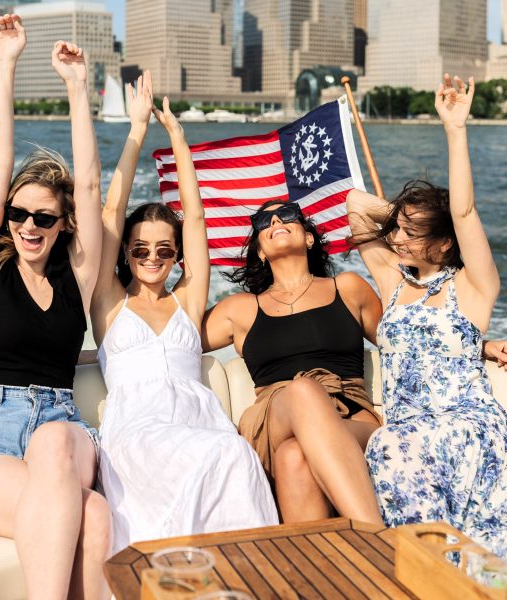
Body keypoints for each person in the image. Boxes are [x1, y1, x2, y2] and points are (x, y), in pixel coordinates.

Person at [0, 15, 111, 599]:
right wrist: (6, 62)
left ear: (62, 227)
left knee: (59, 443)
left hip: (58, 427)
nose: (28, 226)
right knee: (93, 517)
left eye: (44, 217)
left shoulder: (74, 278)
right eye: (18, 214)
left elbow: (88, 186)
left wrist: (77, 86)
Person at [90, 73, 278, 554]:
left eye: (163, 250)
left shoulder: (186, 302)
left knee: (233, 450)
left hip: (199, 419)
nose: (151, 258)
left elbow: (195, 219)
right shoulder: (109, 302)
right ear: (125, 254)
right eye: (139, 249)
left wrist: (176, 136)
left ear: (177, 257)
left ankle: (245, 571)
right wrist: (136, 131)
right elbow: (110, 213)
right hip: (138, 428)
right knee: (221, 451)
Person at [346, 74, 507, 556]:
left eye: (413, 233)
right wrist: (405, 215)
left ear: (444, 242)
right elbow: (355, 206)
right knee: (391, 445)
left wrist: (455, 130)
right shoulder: (396, 282)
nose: (396, 238)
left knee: (394, 447)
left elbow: (464, 213)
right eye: (396, 229)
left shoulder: (474, 287)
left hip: (466, 428)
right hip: (407, 429)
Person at [201, 200, 385, 525]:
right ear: (259, 250)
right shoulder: (239, 309)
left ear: (309, 238)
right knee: (304, 391)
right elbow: (171, 337)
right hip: (275, 414)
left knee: (293, 457)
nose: (275, 222)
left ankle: (316, 569)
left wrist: (480, 346)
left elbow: (403, 338)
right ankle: (376, 537)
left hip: (352, 415)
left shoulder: (349, 288)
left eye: (287, 215)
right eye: (263, 221)